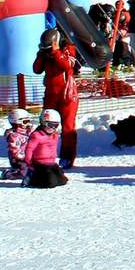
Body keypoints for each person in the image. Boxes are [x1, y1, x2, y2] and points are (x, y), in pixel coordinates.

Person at [33, 28, 80, 168]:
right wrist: (41, 55)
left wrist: (55, 52)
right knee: (46, 124)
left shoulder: (69, 49)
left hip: (67, 94)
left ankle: (67, 157)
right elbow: (36, 69)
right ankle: (44, 155)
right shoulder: (44, 53)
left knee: (67, 127)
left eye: (49, 47)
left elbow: (67, 66)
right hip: (51, 94)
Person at [24, 109, 69, 188]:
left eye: (55, 126)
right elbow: (29, 149)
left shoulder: (54, 135)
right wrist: (29, 163)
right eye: (50, 125)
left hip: (51, 163)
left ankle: (45, 177)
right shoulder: (37, 135)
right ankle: (32, 179)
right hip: (39, 164)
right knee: (50, 183)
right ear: (43, 123)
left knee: (62, 181)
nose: (52, 128)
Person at [3, 109, 33, 179]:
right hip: (18, 160)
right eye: (25, 122)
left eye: (28, 121)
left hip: (28, 158)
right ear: (17, 122)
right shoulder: (14, 136)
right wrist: (25, 158)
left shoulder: (28, 131)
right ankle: (7, 174)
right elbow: (15, 151)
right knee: (24, 173)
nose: (28, 124)